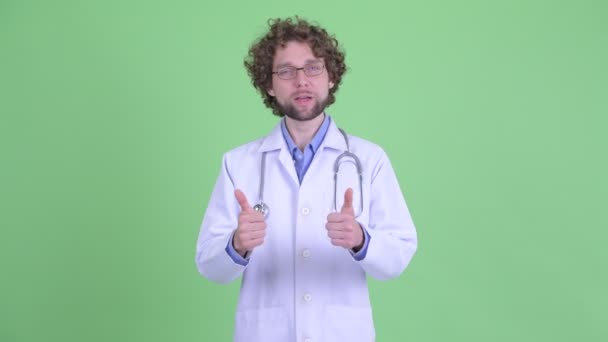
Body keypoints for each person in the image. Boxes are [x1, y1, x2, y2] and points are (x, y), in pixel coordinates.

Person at [195, 16, 417, 342]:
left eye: (313, 68)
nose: (301, 81)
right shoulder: (238, 164)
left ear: (330, 77)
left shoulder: (369, 160)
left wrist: (360, 239)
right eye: (286, 71)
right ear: (269, 84)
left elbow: (398, 257)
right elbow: (209, 266)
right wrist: (236, 246)